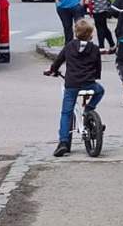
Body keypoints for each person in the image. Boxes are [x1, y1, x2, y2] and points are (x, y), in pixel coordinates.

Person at [44, 20, 104, 157]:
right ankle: (89, 109)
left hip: (72, 84)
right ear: (91, 34)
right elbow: (98, 67)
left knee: (66, 112)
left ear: (76, 32)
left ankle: (63, 143)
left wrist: (52, 70)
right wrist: (94, 77)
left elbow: (58, 61)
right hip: (89, 83)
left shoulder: (69, 46)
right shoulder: (94, 48)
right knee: (100, 91)